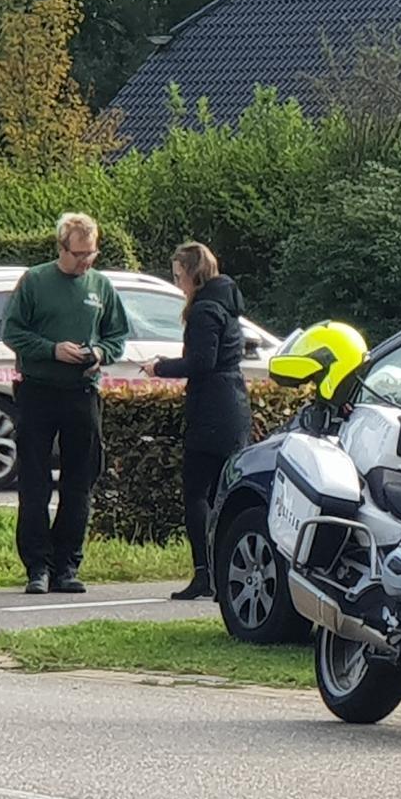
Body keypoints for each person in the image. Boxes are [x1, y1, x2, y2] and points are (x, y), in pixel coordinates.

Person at [1, 212, 130, 595]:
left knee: (79, 482)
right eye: (77, 254)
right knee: (35, 482)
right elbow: (13, 332)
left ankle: (67, 565)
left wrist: (99, 353)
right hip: (38, 391)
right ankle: (36, 566)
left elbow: (117, 335)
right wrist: (52, 350)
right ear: (61, 248)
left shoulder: (101, 286)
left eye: (91, 254)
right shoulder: (36, 281)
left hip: (82, 392)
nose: (84, 261)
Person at [140, 242, 250, 601]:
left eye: (178, 276)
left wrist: (160, 367)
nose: (178, 284)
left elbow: (201, 362)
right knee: (224, 493)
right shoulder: (228, 303)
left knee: (196, 494)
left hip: (211, 409)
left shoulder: (204, 310)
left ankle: (205, 572)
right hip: (233, 403)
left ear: (192, 274)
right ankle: (222, 573)